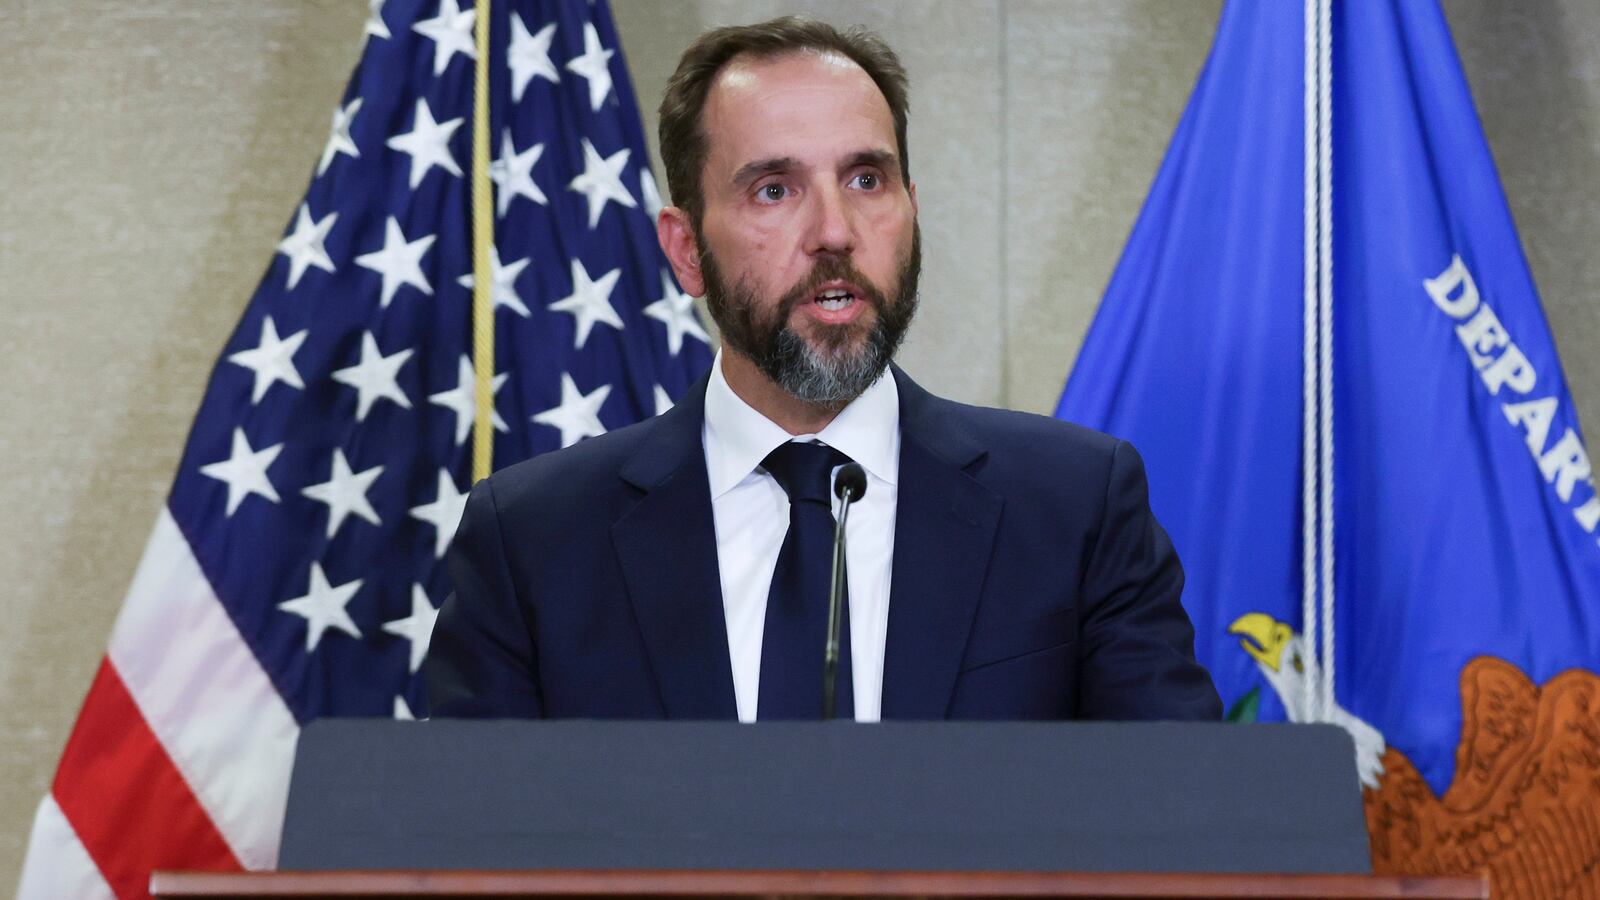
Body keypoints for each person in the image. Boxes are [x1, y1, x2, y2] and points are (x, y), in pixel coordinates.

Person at [425, 16, 1220, 722]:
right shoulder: (533, 541)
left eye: (866, 180)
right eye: (774, 189)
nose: (835, 231)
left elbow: (1190, 833)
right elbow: (468, 854)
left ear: (912, 210)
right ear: (685, 249)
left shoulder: (1076, 510)